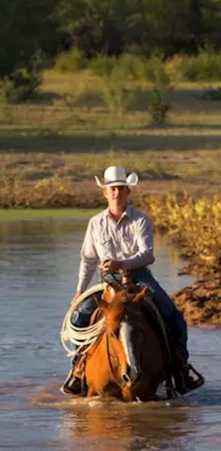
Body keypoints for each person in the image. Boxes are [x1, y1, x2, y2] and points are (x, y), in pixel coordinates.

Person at [61, 165, 202, 396]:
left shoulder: (141, 220)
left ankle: (180, 369)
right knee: (78, 317)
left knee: (174, 317)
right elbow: (87, 260)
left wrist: (121, 264)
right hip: (107, 280)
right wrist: (79, 291)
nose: (116, 192)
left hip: (139, 277)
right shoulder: (96, 224)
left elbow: (147, 254)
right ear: (104, 193)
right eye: (112, 189)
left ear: (128, 191)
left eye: (120, 188)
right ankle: (78, 369)